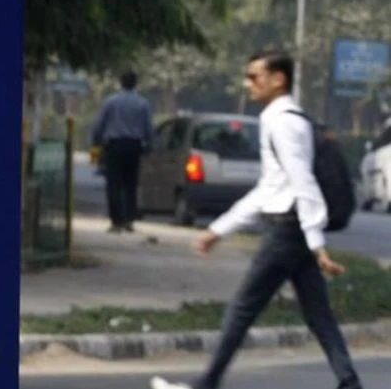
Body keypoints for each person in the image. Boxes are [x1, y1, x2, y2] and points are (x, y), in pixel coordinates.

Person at [150, 50, 363, 389]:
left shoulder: (283, 122)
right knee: (318, 314)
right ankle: (350, 384)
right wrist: (220, 229)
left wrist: (316, 241)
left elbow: (301, 182)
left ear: (278, 79)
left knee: (241, 309)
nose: (247, 83)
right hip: (291, 226)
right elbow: (270, 187)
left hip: (287, 229)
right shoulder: (285, 118)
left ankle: (205, 384)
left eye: (254, 76)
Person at [90, 71, 153, 233]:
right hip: (134, 146)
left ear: (121, 83)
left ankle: (116, 221)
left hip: (114, 146)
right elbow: (148, 129)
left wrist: (95, 142)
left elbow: (100, 125)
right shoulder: (142, 103)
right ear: (135, 84)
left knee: (113, 184)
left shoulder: (111, 102)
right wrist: (149, 146)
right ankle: (129, 220)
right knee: (131, 184)